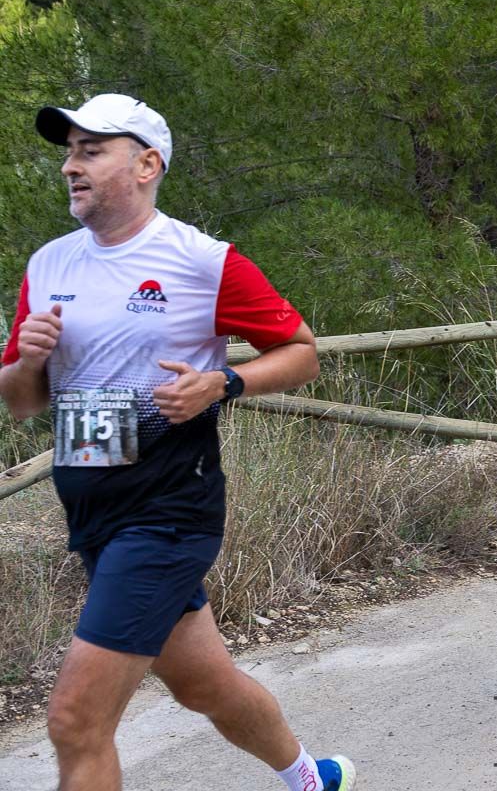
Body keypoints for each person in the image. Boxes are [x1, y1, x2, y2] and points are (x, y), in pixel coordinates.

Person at [0, 94, 355, 791]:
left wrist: (222, 383)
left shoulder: (201, 261)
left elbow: (303, 352)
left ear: (146, 163)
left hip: (167, 513)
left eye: (90, 150)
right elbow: (21, 402)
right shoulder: (49, 264)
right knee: (206, 686)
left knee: (76, 721)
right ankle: (312, 778)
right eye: (69, 152)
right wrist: (27, 362)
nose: (71, 166)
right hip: (94, 515)